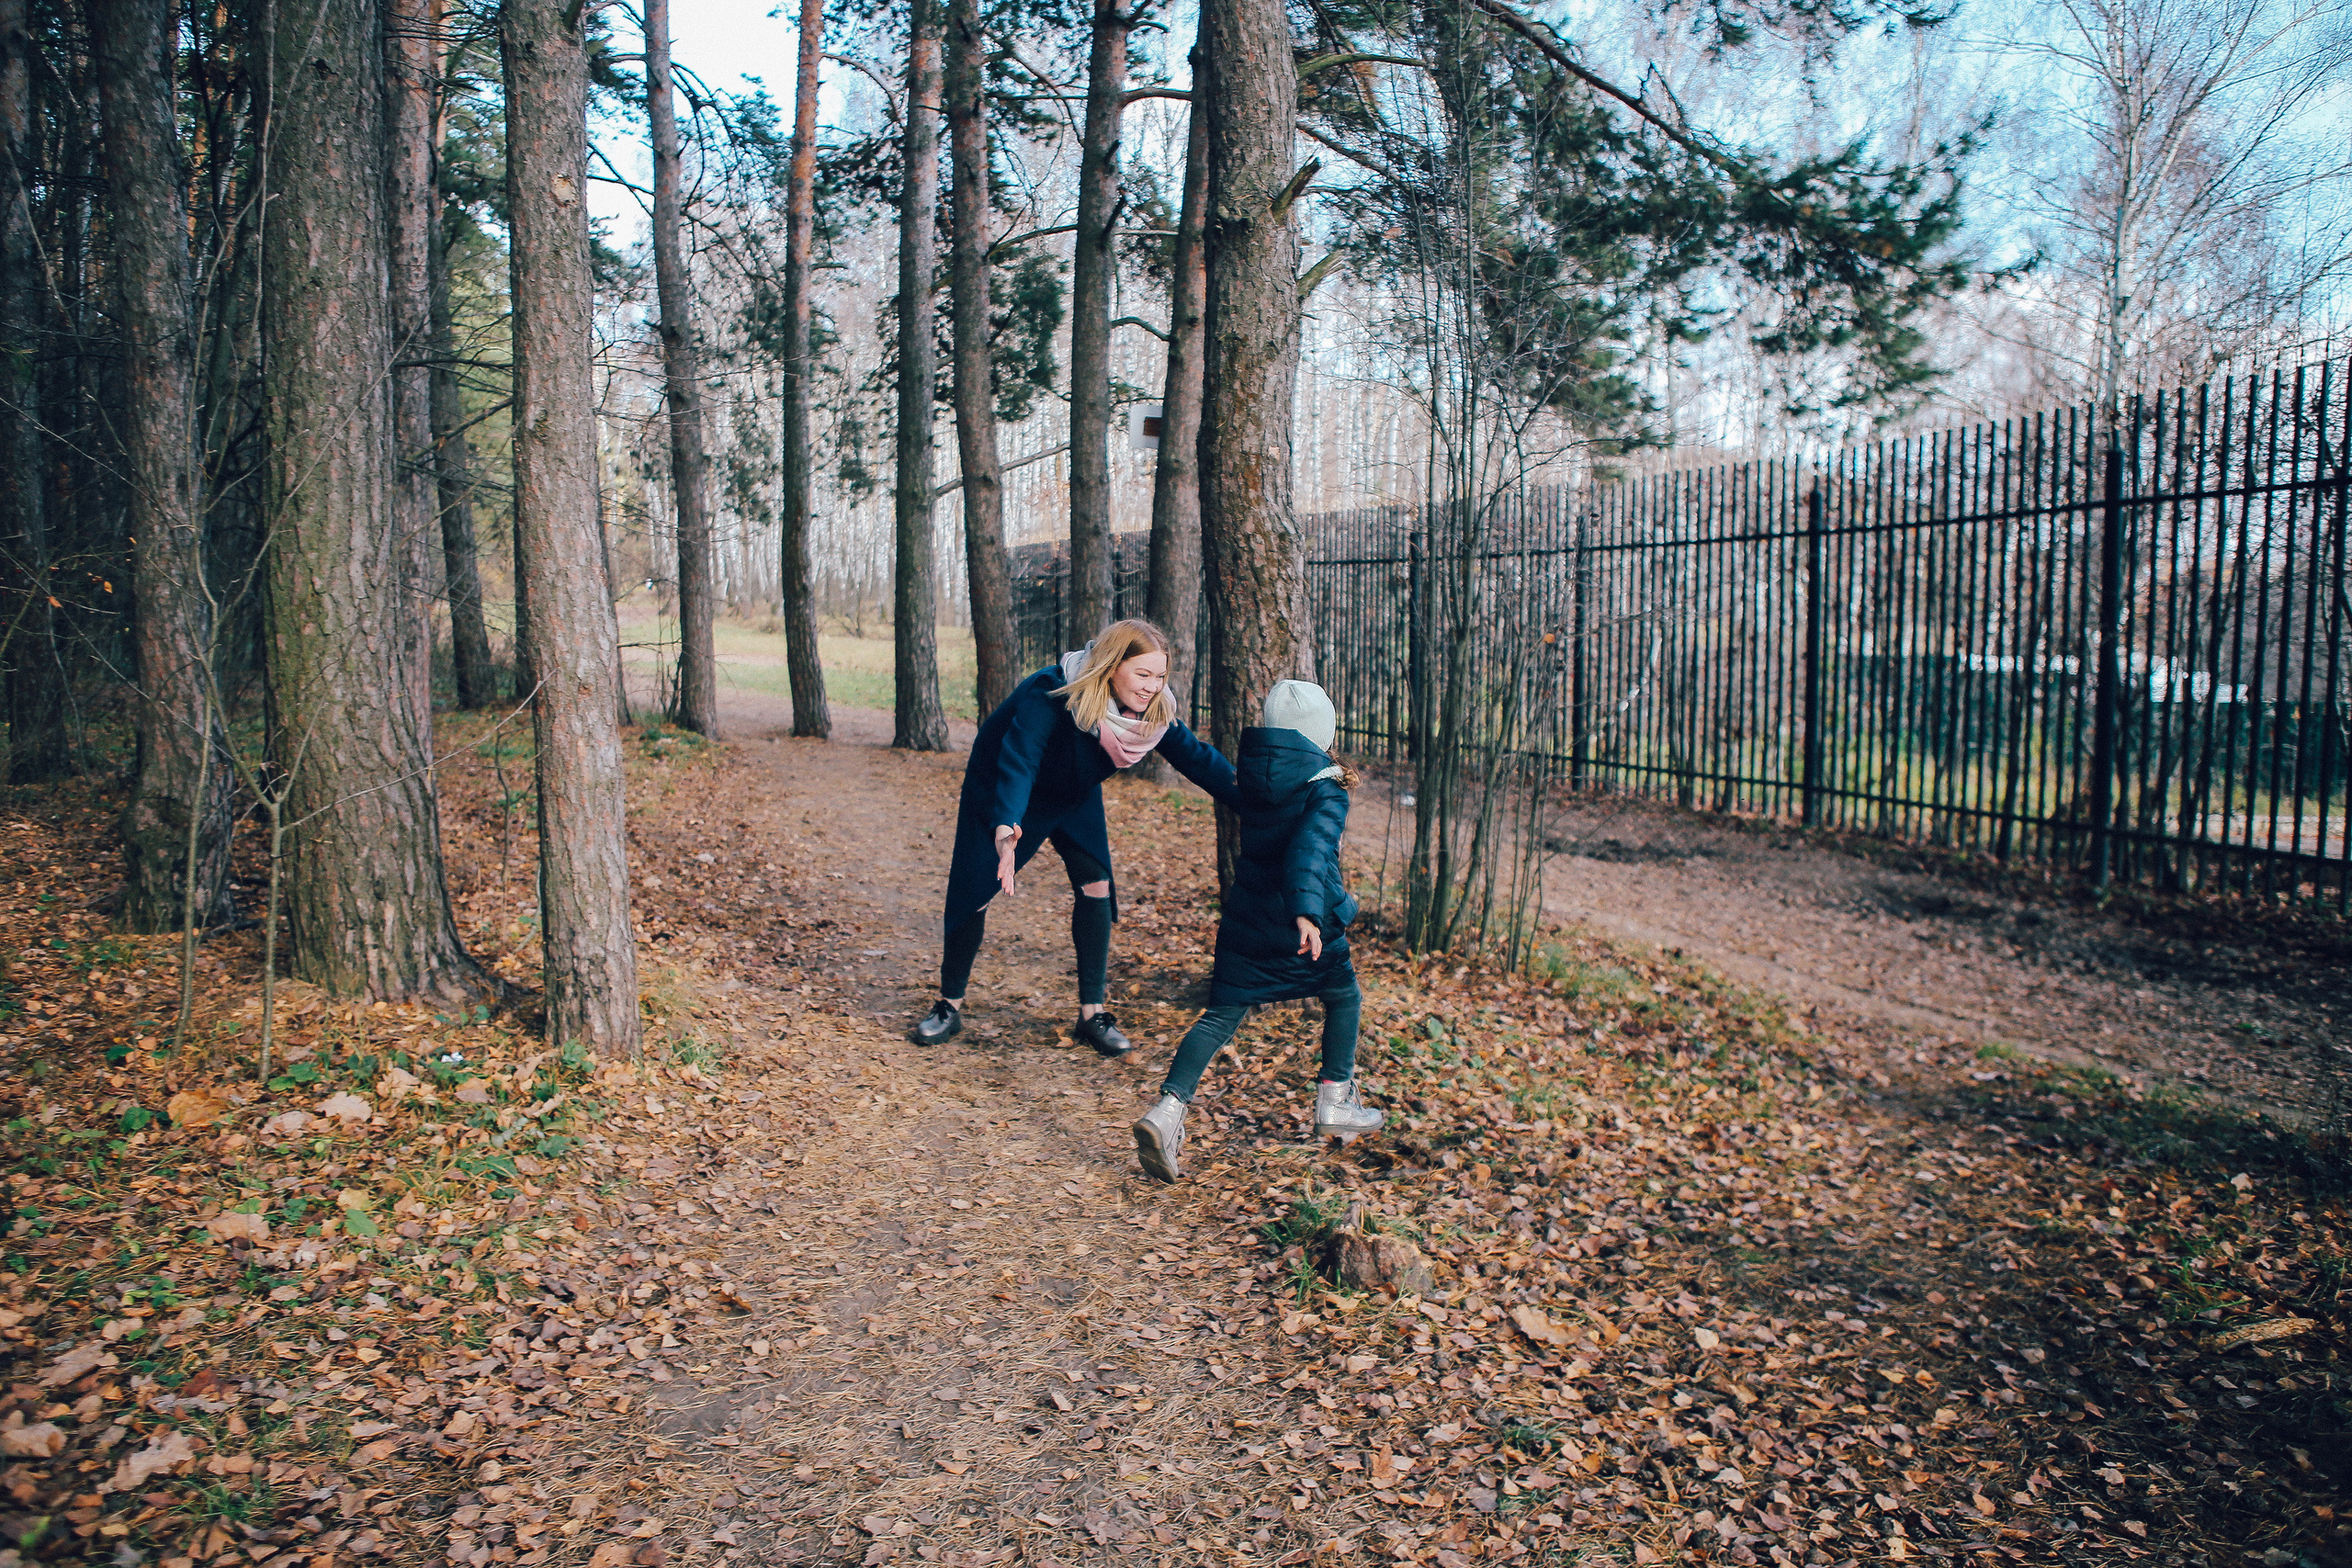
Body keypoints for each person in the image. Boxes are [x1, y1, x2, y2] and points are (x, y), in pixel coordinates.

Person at [911, 619, 1238, 1055]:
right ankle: (948, 1006)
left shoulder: (1152, 713)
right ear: (1110, 666)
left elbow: (1197, 759)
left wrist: (1257, 800)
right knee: (976, 891)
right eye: (1142, 675)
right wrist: (1007, 825)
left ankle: (1092, 1014)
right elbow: (1020, 759)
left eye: (1160, 677)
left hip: (1073, 790)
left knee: (1096, 883)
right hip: (1004, 789)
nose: (1152, 687)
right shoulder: (1052, 692)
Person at [1132, 680, 1382, 1182]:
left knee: (1219, 1018)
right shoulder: (1326, 786)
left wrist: (1166, 729)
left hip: (1248, 925)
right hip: (1301, 926)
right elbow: (1311, 848)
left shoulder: (1254, 778)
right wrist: (1308, 911)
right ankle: (1334, 1100)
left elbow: (1203, 765)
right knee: (1344, 996)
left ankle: (1167, 1111)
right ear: (1321, 734)